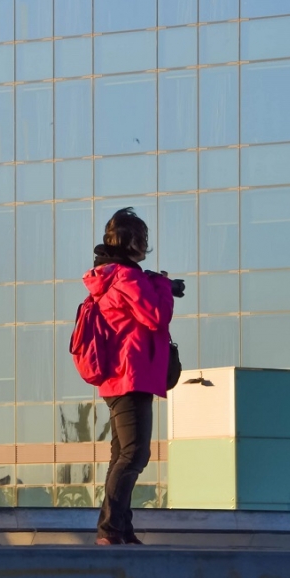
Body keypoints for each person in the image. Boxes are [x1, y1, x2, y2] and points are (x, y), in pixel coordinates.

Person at [83, 208, 181, 545]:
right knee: (135, 454)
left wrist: (158, 283)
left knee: (122, 453)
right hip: (131, 375)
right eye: (143, 238)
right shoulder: (126, 278)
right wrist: (164, 289)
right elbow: (155, 316)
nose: (146, 244)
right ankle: (111, 529)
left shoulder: (113, 275)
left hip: (121, 375)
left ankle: (120, 528)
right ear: (132, 241)